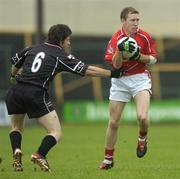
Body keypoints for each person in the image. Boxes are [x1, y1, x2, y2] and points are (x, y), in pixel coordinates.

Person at [5, 24, 123, 172]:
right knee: (55, 132)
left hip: (15, 91)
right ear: (61, 40)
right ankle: (40, 154)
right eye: (68, 40)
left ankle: (16, 152)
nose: (69, 43)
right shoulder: (60, 55)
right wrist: (112, 73)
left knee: (16, 127)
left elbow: (15, 64)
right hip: (35, 93)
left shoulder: (31, 48)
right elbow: (87, 70)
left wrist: (13, 76)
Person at [99, 7, 158, 169]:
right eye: (132, 20)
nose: (136, 23)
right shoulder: (115, 39)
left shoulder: (144, 36)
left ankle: (142, 139)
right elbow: (115, 66)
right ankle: (108, 159)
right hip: (120, 81)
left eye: (137, 20)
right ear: (123, 21)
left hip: (140, 79)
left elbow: (153, 59)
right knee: (114, 122)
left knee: (142, 117)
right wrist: (120, 50)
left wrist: (138, 56)